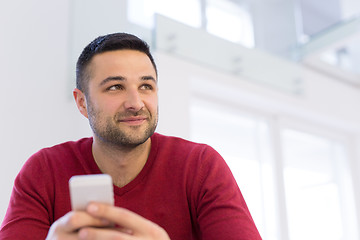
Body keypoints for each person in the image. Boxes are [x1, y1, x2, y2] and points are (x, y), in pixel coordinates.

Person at [0, 32, 262, 240]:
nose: (136, 103)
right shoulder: (43, 171)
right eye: (115, 87)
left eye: (146, 86)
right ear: (82, 103)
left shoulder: (201, 166)